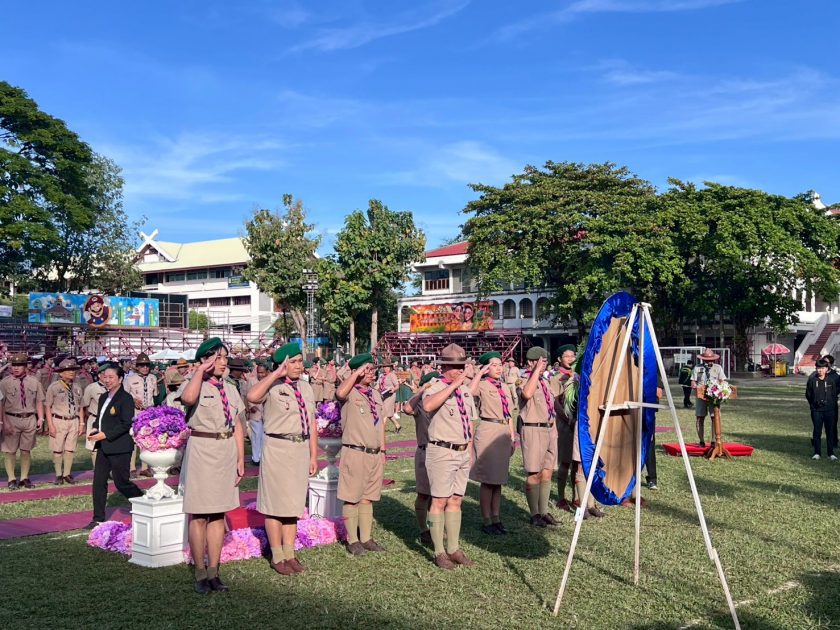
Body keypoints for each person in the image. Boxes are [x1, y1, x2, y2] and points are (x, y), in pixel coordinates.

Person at [179, 338, 246, 593]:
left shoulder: (230, 388)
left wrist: (240, 457)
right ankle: (200, 572)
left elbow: (237, 424)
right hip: (202, 449)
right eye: (217, 357)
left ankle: (214, 571)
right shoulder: (195, 383)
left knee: (219, 513)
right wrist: (199, 372)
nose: (223, 362)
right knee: (199, 514)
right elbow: (188, 399)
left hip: (225, 450)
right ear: (204, 360)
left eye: (225, 357)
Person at [246, 343, 318, 577]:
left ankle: (289, 552)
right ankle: (277, 554)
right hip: (278, 448)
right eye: (292, 362)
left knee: (293, 505)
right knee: (275, 505)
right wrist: (276, 374)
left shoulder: (306, 387)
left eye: (299, 361)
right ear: (282, 364)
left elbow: (312, 423)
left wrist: (313, 455)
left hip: (300, 448)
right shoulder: (272, 386)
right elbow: (252, 396)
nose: (298, 366)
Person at [422, 343, 477, 570]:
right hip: (442, 451)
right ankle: (439, 552)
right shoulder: (435, 387)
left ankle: (454, 548)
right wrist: (453, 385)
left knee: (456, 500)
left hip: (462, 451)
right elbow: (427, 406)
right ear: (443, 367)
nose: (459, 370)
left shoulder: (465, 391)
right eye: (455, 367)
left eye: (462, 366)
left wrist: (470, 450)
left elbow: (470, 422)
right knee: (439, 500)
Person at [336, 353, 387, 556]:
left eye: (373, 369)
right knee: (352, 497)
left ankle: (366, 538)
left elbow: (380, 424)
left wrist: (383, 450)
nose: (372, 373)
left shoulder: (374, 394)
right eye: (368, 369)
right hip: (355, 451)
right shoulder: (350, 391)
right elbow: (340, 393)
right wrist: (356, 374)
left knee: (368, 497)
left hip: (374, 453)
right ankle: (352, 539)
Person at [86, 363, 144, 528]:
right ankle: (98, 518)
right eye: (105, 377)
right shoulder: (104, 397)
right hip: (103, 447)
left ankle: (143, 502)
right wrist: (95, 429)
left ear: (120, 379)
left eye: (111, 377)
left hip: (120, 447)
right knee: (98, 482)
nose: (107, 380)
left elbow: (126, 423)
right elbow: (100, 418)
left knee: (121, 482)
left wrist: (105, 434)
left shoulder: (125, 398)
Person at [469, 352, 515, 535]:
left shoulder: (504, 386)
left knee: (498, 480)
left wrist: (512, 437)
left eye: (499, 364)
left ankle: (496, 518)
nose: (498, 368)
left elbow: (509, 414)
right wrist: (479, 374)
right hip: (488, 430)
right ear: (486, 368)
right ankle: (487, 520)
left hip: (503, 431)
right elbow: (470, 393)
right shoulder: (482, 384)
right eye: (493, 365)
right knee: (488, 480)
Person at [518, 347, 560, 528]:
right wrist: (535, 371)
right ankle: (534, 513)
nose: (543, 365)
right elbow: (527, 394)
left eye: (545, 362)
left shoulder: (545, 382)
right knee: (534, 473)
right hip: (533, 429)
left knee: (547, 472)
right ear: (530, 362)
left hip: (549, 428)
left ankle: (543, 511)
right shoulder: (523, 380)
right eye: (539, 362)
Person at [402, 370, 439, 546]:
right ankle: (424, 530)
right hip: (425, 450)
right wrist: (422, 390)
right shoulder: (420, 404)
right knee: (424, 494)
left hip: (441, 452)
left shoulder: (443, 401)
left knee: (439, 496)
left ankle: (436, 528)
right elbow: (406, 409)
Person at [0, 353, 46, 489]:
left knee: (26, 450)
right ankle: (11, 478)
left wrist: (41, 418)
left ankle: (24, 478)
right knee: (10, 451)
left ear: (25, 367)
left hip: (29, 419)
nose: (16, 368)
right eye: (14, 365)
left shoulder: (34, 382)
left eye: (19, 365)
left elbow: (39, 400)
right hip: (11, 418)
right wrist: (4, 422)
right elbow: (1, 404)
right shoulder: (4, 383)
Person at [45, 358, 85, 485]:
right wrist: (50, 425)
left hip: (73, 420)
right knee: (57, 448)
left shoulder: (77, 387)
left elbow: (80, 406)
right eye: (68, 370)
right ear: (61, 373)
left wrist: (81, 423)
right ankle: (58, 474)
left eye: (73, 370)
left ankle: (67, 474)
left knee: (70, 448)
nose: (71, 372)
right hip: (59, 420)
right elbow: (47, 406)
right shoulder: (54, 387)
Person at [550, 345, 577, 512]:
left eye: (573, 356)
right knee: (565, 461)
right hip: (564, 424)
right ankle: (561, 497)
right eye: (567, 356)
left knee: (577, 462)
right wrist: (567, 419)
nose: (570, 359)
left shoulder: (578, 376)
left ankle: (576, 496)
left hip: (578, 423)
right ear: (559, 359)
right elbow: (555, 402)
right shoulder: (556, 378)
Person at [123, 353, 156, 477]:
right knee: (134, 439)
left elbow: (155, 395)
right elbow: (124, 396)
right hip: (136, 412)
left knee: (147, 439)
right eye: (142, 365)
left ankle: (144, 467)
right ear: (137, 367)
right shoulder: (129, 379)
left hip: (149, 411)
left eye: (147, 365)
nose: (145, 368)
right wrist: (133, 400)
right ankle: (131, 467)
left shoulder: (152, 378)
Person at [691, 349, 727, 447]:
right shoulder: (697, 368)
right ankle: (701, 441)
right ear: (703, 359)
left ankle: (714, 441)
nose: (709, 362)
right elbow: (693, 380)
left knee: (714, 417)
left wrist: (720, 388)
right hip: (700, 396)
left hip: (713, 396)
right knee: (700, 418)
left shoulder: (718, 368)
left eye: (711, 360)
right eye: (707, 360)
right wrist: (694, 385)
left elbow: (722, 380)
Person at [805, 358, 838, 461]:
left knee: (830, 431)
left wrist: (830, 404)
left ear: (827, 369)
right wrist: (813, 404)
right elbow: (808, 394)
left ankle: (831, 453)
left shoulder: (831, 381)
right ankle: (817, 452)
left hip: (829, 410)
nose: (820, 370)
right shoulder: (812, 380)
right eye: (818, 368)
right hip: (816, 411)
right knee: (817, 431)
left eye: (823, 368)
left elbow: (834, 395)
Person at [241, 362, 268, 465]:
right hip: (255, 412)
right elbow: (247, 395)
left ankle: (263, 457)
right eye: (259, 372)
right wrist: (251, 407)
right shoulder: (252, 381)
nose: (261, 375)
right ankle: (256, 458)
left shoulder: (269, 381)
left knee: (264, 436)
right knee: (256, 435)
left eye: (263, 372)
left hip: (267, 413)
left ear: (267, 372)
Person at [82, 367, 108, 467]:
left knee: (109, 444)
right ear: (99, 375)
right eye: (104, 374)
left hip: (109, 420)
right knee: (94, 445)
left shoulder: (114, 387)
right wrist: (84, 421)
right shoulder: (91, 387)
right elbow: (85, 404)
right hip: (95, 419)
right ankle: (97, 469)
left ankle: (108, 469)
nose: (106, 377)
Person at [378, 364, 402, 433]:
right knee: (389, 413)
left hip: (390, 395)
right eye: (384, 367)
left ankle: (381, 430)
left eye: (386, 367)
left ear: (390, 368)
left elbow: (397, 386)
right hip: (383, 395)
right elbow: (378, 385)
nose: (385, 368)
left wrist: (393, 389)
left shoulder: (392, 375)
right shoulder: (381, 375)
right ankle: (398, 425)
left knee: (385, 412)